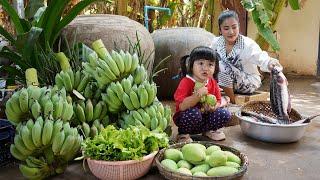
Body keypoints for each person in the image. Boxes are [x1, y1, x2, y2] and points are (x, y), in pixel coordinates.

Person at [212, 10, 283, 104]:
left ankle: (233, 102)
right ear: (220, 30)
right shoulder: (216, 42)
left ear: (238, 27)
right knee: (210, 63)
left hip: (249, 82)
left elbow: (261, 58)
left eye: (234, 27)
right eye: (226, 28)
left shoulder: (247, 44)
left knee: (220, 65)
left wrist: (270, 63)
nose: (231, 32)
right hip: (228, 83)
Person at [173, 46, 231, 143]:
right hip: (188, 120)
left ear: (215, 67)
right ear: (191, 65)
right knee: (194, 113)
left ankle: (208, 131)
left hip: (204, 120)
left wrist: (213, 107)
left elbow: (218, 100)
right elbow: (182, 106)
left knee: (225, 114)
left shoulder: (212, 82)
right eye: (200, 63)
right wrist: (197, 96)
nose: (205, 68)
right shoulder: (186, 82)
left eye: (210, 64)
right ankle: (183, 135)